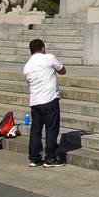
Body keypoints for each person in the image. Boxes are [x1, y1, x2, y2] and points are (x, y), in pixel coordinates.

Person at [23, 38, 67, 167]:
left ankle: (34, 157)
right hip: (49, 99)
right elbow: (63, 70)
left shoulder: (27, 66)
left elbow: (28, 82)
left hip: (35, 101)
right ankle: (50, 157)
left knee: (36, 129)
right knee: (51, 128)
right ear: (42, 48)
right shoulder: (48, 58)